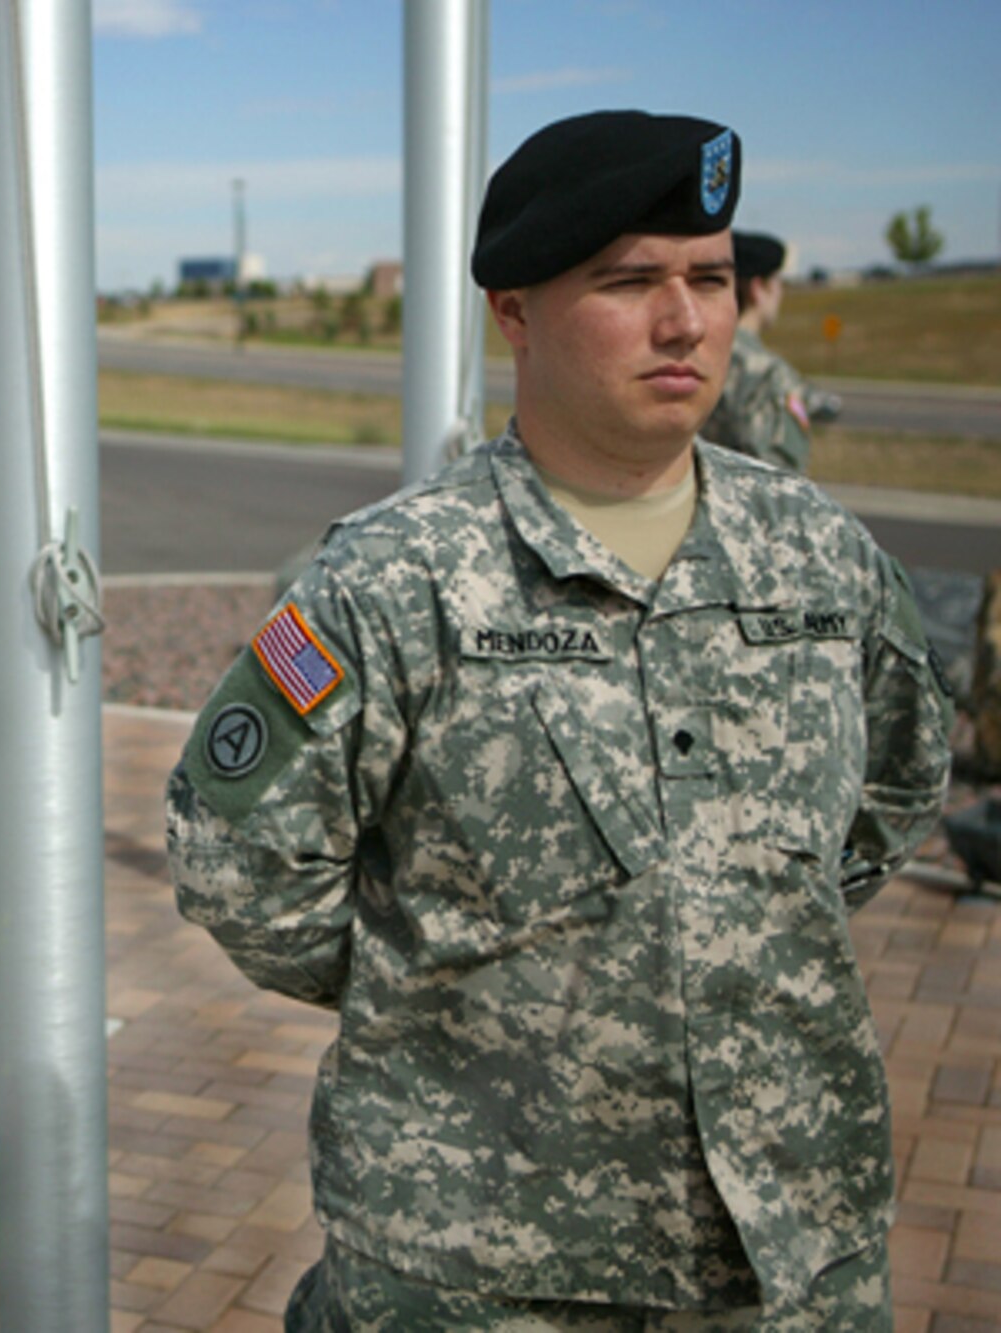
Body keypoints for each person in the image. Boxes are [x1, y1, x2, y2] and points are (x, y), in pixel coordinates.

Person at [167, 111, 953, 1329]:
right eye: (629, 280)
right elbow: (241, 864)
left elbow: (899, 783)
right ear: (514, 312)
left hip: (793, 1255)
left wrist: (722, 928)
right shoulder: (394, 580)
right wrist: (447, 992)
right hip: (480, 1266)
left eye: (705, 277)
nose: (684, 319)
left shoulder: (816, 555)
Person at [704, 229, 814, 472]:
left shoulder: (696, 356)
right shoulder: (768, 375)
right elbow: (780, 482)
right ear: (758, 288)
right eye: (778, 284)